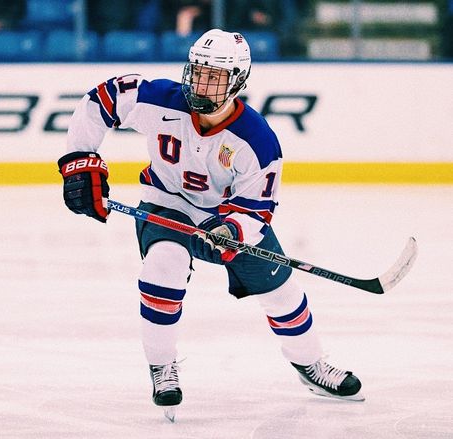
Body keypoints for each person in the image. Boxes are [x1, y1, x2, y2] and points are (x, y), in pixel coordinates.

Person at [57, 29, 364, 421]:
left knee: (283, 294)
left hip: (225, 215)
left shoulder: (257, 141)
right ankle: (162, 368)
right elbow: (100, 99)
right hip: (165, 202)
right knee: (162, 266)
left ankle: (311, 365)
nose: (201, 82)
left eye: (214, 76)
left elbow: (256, 209)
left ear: (237, 80)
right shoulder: (160, 100)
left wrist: (232, 232)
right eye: (198, 71)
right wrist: (79, 159)